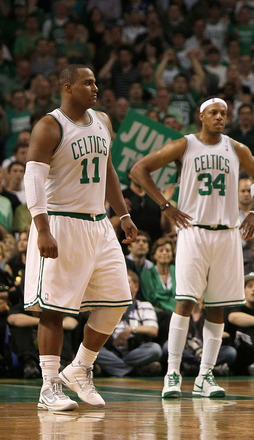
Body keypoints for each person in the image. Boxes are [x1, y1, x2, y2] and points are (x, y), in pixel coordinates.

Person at [130, 96, 254, 399]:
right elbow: (139, 169)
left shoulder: (237, 147)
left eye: (224, 113)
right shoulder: (185, 144)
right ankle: (173, 373)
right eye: (213, 113)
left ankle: (205, 375)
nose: (220, 117)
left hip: (228, 233)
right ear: (201, 116)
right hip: (193, 231)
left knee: (218, 308)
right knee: (185, 303)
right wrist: (165, 205)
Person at [24, 64, 138, 411]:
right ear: (67, 87)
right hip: (61, 222)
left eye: (96, 82)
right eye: (88, 83)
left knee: (118, 299)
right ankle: (48, 387)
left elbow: (108, 169)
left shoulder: (102, 121)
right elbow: (33, 179)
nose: (96, 88)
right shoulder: (50, 125)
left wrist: (124, 214)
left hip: (99, 224)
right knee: (54, 310)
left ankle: (81, 367)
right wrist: (42, 228)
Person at [95, 270, 163, 377]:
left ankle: (113, 368)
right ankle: (135, 371)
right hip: (112, 350)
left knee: (155, 349)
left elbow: (153, 330)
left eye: (126, 282)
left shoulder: (144, 306)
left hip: (136, 351)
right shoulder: (108, 306)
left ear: (136, 286)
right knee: (93, 351)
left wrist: (130, 330)